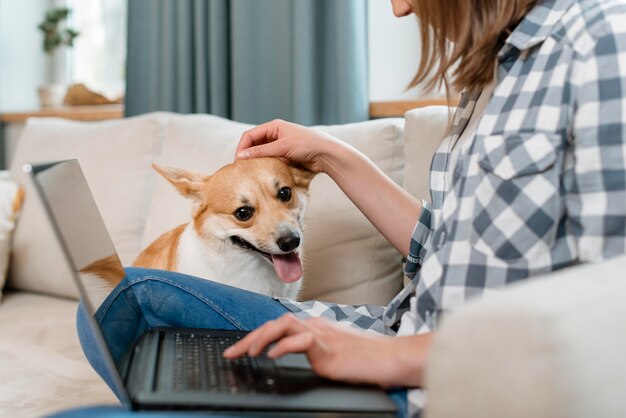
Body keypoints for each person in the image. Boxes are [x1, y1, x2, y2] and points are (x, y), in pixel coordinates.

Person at [73, 0, 626, 417]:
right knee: (116, 298)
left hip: (431, 381)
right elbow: (447, 247)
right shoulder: (491, 74)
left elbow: (610, 310)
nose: (398, 6)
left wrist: (386, 360)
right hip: (386, 332)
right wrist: (330, 154)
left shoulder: (600, 42)